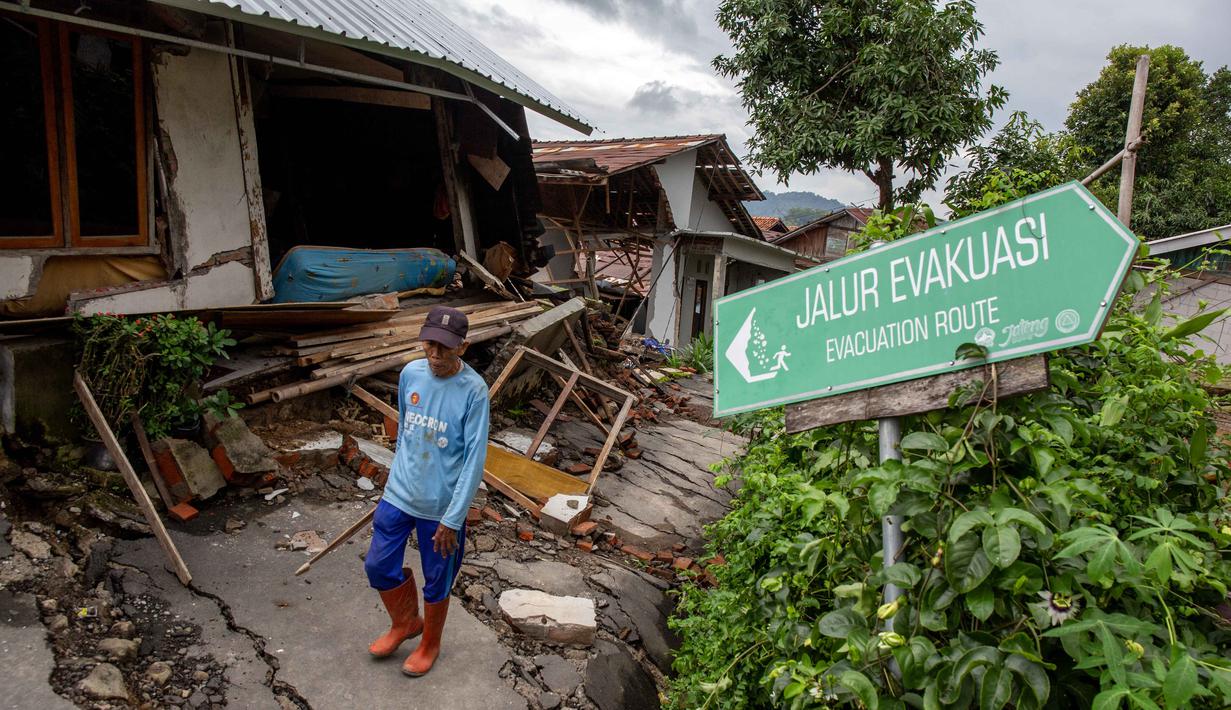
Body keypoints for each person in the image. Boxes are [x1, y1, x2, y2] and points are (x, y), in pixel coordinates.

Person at [363, 306, 490, 677]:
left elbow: (473, 460)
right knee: (378, 565)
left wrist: (453, 518)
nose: (435, 355)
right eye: (429, 345)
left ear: (462, 347)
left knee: (437, 579)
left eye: (445, 348)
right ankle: (405, 622)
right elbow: (405, 431)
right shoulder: (410, 374)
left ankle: (429, 643)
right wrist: (395, 479)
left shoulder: (474, 392)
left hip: (440, 507)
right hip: (399, 495)